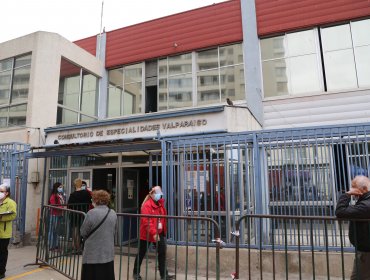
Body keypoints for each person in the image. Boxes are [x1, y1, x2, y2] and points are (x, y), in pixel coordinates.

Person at [133, 186, 175, 280]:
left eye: (159, 193)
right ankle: (136, 273)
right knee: (141, 252)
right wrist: (154, 232)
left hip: (158, 232)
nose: (159, 195)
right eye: (156, 193)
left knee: (162, 253)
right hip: (147, 233)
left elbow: (162, 218)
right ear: (151, 194)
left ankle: (164, 275)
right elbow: (146, 221)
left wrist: (162, 231)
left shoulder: (160, 204)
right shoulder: (147, 205)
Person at [335, 175, 370, 280]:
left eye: (353, 187)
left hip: (366, 251)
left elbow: (340, 212)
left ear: (363, 189)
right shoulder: (365, 202)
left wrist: (347, 194)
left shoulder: (366, 205)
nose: (351, 189)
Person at [80, 190, 117, 280]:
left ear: (95, 200)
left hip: (93, 254)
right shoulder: (113, 213)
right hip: (108, 253)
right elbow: (114, 231)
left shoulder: (91, 213)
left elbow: (83, 232)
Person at [68, 178, 92, 251]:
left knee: (75, 231)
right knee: (85, 231)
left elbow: (69, 205)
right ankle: (84, 247)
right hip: (84, 214)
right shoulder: (86, 193)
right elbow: (89, 202)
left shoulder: (72, 195)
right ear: (81, 184)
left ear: (75, 185)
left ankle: (76, 246)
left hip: (74, 215)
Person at [0, 183, 17, 279]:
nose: (0, 193)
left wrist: (1, 218)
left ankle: (1, 271)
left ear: (7, 193)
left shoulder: (11, 203)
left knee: (2, 252)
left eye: (2, 191)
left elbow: (13, 215)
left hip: (4, 232)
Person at [48, 182, 65, 250]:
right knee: (52, 230)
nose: (61, 188)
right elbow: (54, 205)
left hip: (59, 215)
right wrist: (63, 208)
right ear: (56, 187)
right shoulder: (53, 195)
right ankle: (51, 245)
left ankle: (56, 245)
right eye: (60, 187)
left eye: (61, 187)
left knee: (56, 231)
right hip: (54, 215)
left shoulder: (60, 195)